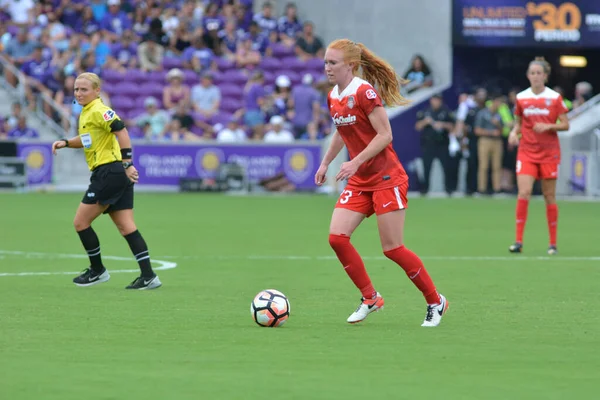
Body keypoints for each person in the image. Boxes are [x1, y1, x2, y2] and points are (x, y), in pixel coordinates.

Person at [315, 39, 449, 327]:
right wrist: (326, 163)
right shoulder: (333, 96)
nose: (327, 67)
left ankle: (435, 301)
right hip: (361, 181)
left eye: (332, 62)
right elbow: (341, 130)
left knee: (392, 248)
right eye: (326, 62)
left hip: (387, 178)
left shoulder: (364, 92)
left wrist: (354, 162)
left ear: (350, 65)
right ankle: (370, 297)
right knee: (337, 238)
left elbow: (385, 135)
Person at [51, 72, 162, 290]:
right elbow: (87, 140)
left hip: (110, 172)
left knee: (80, 222)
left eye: (84, 89)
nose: (79, 93)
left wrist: (127, 162)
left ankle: (97, 271)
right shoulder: (86, 112)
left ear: (97, 91)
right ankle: (148, 275)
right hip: (114, 172)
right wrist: (65, 142)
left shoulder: (99, 110)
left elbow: (121, 130)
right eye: (76, 89)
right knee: (126, 226)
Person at [508, 57, 569, 255]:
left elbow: (565, 124)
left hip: (549, 152)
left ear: (545, 76)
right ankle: (518, 241)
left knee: (548, 195)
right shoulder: (521, 98)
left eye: (539, 73)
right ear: (528, 76)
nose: (535, 76)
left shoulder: (554, 98)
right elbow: (518, 123)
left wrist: (549, 125)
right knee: (524, 192)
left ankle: (553, 243)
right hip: (527, 151)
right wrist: (513, 133)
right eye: (532, 73)